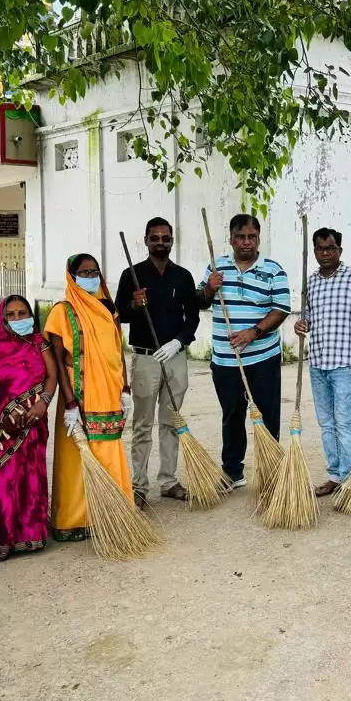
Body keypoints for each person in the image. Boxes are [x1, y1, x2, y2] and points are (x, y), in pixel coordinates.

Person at [45, 255, 132, 541]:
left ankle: (111, 514)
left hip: (108, 391)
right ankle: (74, 520)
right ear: (71, 276)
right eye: (84, 272)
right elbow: (57, 360)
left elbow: (118, 349)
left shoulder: (109, 308)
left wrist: (125, 388)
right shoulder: (63, 311)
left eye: (95, 271)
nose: (91, 276)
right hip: (78, 393)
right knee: (76, 455)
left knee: (108, 451)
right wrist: (69, 403)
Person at [199, 215, 290, 487]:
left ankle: (270, 470)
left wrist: (255, 332)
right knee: (232, 415)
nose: (246, 242)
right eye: (241, 237)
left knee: (267, 415)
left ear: (258, 238)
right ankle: (232, 471)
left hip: (263, 358)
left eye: (251, 236)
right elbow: (201, 303)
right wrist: (209, 288)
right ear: (231, 239)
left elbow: (281, 309)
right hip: (225, 360)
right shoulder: (216, 267)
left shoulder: (273, 270)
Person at [115, 217, 199, 506]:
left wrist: (180, 342)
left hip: (175, 357)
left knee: (171, 421)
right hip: (145, 357)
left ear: (172, 240)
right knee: (142, 424)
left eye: (166, 237)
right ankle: (138, 485)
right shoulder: (132, 275)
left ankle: (168, 480)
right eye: (155, 238)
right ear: (146, 240)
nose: (160, 242)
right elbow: (119, 314)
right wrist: (134, 305)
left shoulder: (183, 276)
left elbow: (194, 317)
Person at [0, 296, 57, 561]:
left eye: (23, 313)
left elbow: (51, 376)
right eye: (11, 315)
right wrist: (3, 415)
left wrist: (43, 403)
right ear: (1, 319)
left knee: (31, 474)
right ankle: (0, 537)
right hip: (1, 428)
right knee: (2, 478)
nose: (19, 319)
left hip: (34, 420)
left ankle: (30, 534)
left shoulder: (39, 342)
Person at [294, 228, 351, 497]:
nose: (325, 253)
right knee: (326, 423)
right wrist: (302, 324)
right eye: (320, 249)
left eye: (330, 248)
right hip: (318, 362)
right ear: (314, 251)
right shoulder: (311, 282)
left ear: (340, 249)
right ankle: (335, 475)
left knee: (345, 422)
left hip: (345, 363)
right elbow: (311, 318)